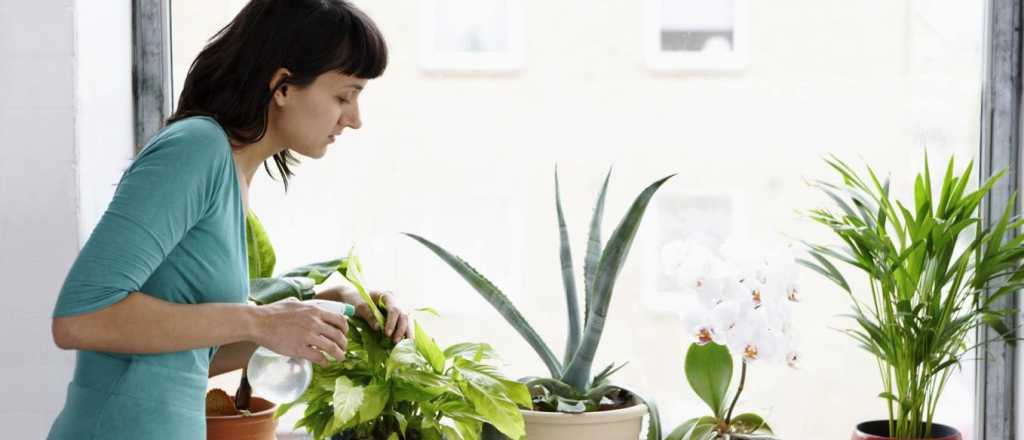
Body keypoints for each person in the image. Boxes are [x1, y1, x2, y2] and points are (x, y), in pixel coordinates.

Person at [47, 1, 410, 438]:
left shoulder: (231, 174)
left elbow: (189, 356)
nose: (354, 120)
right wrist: (260, 320)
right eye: (343, 96)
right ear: (283, 86)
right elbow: (80, 319)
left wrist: (330, 307)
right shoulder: (196, 148)